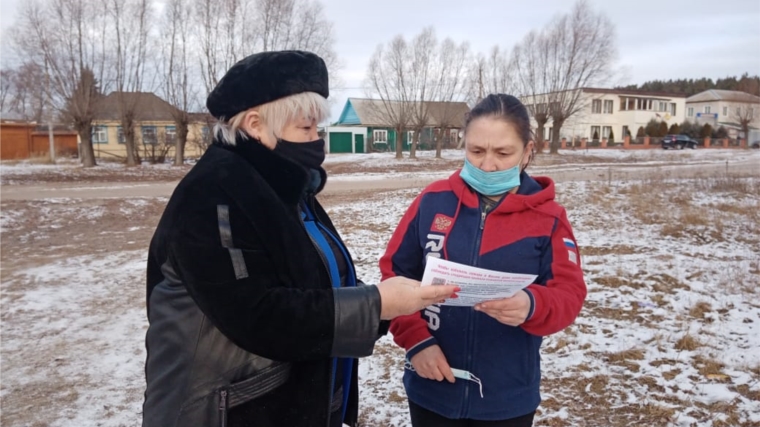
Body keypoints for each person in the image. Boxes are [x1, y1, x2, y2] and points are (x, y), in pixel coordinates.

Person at [142, 50, 458, 427]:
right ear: (257, 124)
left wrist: (388, 306)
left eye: (317, 129)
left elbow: (318, 284)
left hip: (288, 403)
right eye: (305, 129)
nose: (317, 141)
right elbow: (258, 316)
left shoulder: (287, 189)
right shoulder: (213, 196)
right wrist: (376, 305)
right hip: (225, 412)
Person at [381, 94, 587, 427]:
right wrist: (417, 342)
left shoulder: (549, 218)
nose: (487, 165)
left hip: (506, 398)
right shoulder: (432, 201)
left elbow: (570, 294)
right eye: (476, 151)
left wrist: (532, 305)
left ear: (528, 151)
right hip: (431, 386)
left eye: (503, 153)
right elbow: (394, 274)